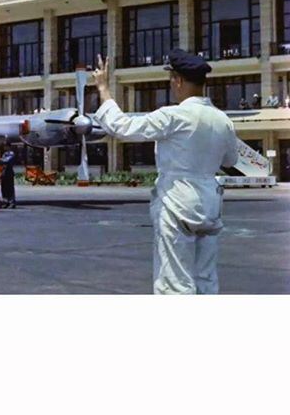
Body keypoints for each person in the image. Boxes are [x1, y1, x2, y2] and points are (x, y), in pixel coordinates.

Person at [92, 49, 239, 295]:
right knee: (206, 280)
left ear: (178, 80)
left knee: (175, 283)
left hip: (178, 201)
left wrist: (104, 90)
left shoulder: (174, 116)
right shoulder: (223, 120)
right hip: (210, 201)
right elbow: (231, 159)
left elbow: (123, 127)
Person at [0, 144, 17, 208]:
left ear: (9, 146)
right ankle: (6, 201)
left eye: (6, 146)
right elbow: (1, 162)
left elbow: (6, 161)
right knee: (4, 188)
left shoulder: (11, 153)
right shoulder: (5, 154)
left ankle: (12, 202)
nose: (5, 147)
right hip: (3, 173)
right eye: (4, 146)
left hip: (9, 173)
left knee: (10, 188)